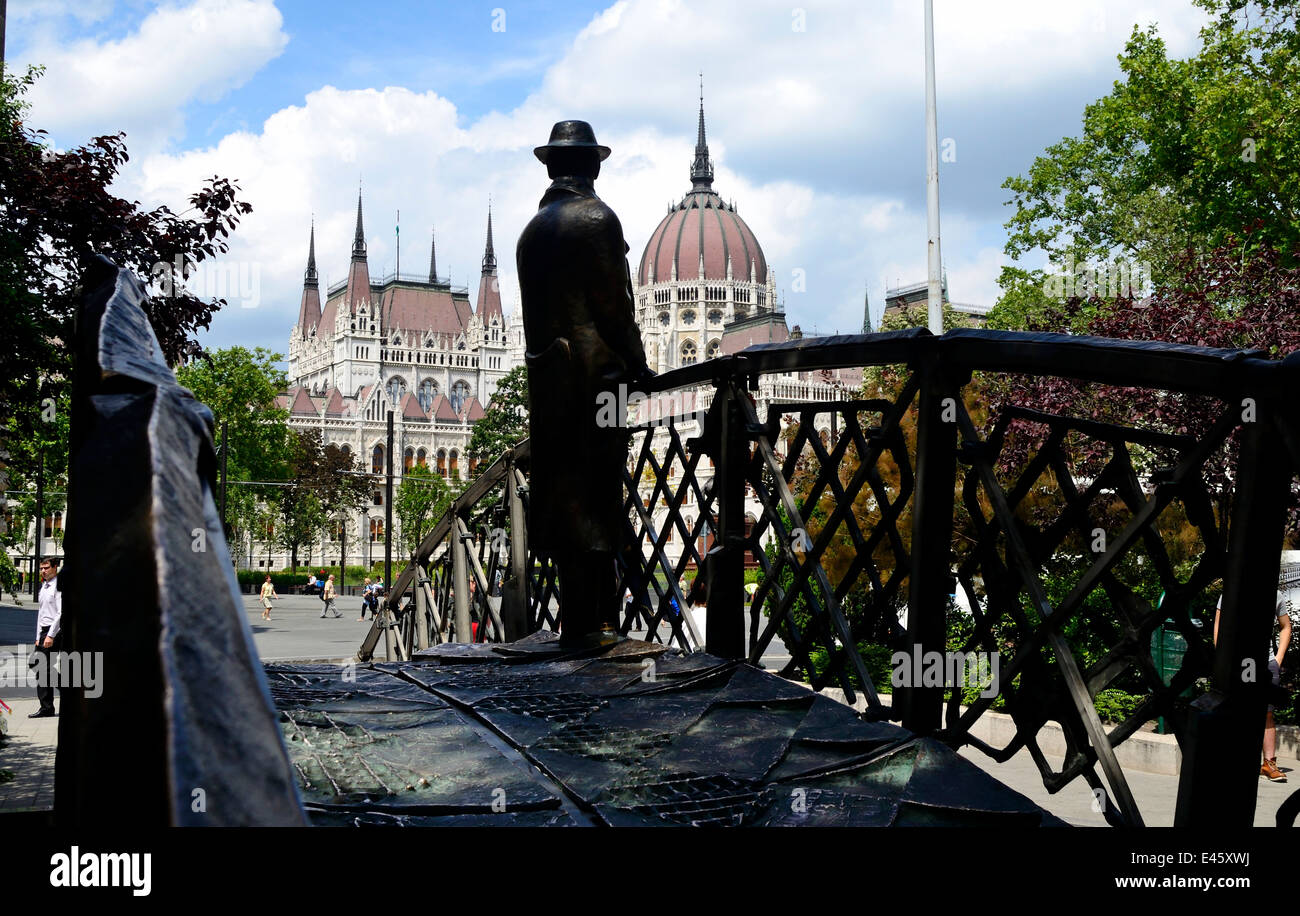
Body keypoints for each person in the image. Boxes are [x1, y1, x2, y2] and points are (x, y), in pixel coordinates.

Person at [516, 119, 653, 647]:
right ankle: (596, 623)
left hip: (551, 383)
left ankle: (580, 620)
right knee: (598, 494)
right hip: (599, 381)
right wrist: (640, 365)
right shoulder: (595, 218)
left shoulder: (533, 232)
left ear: (551, 166)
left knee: (565, 494)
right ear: (593, 164)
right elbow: (615, 307)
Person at [1215, 588, 1293, 783]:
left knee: (1266, 712)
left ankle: (1268, 763)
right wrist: (1223, 657)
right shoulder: (1231, 590)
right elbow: (1219, 625)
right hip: (1238, 661)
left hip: (1265, 662)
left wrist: (1278, 659)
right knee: (1238, 709)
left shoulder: (1274, 594)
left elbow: (1286, 627)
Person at [29, 557, 61, 718]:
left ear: (55, 567)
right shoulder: (44, 587)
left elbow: (61, 613)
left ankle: (47, 707)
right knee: (37, 665)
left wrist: (50, 635)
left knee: (43, 668)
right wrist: (38, 636)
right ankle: (48, 706)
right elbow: (41, 613)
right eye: (41, 568)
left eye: (46, 568)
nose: (43, 571)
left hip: (55, 631)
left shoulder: (59, 586)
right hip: (44, 632)